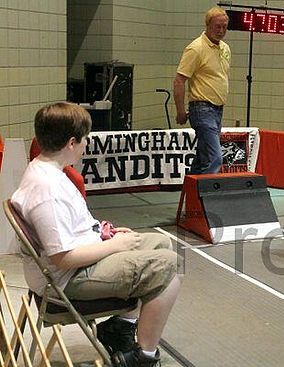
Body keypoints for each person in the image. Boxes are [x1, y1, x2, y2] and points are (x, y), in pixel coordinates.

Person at [11, 102, 181, 367]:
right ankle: (142, 357)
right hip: (67, 280)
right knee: (168, 267)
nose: (86, 145)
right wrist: (115, 246)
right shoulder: (46, 191)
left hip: (75, 265)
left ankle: (120, 328)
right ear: (70, 143)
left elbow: (71, 228)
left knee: (161, 242)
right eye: (84, 140)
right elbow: (63, 258)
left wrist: (105, 234)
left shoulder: (45, 169)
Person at [173, 6, 231, 174]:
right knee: (215, 159)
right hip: (202, 109)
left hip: (218, 110)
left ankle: (190, 195)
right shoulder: (196, 49)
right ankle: (207, 199)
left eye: (224, 27)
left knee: (202, 159)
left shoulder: (225, 48)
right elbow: (179, 81)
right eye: (217, 27)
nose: (221, 31)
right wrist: (180, 111)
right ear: (207, 25)